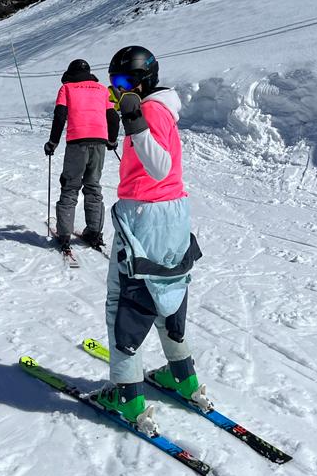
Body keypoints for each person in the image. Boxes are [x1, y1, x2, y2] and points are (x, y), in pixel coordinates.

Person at [94, 45, 208, 435]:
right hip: (170, 213)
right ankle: (182, 376)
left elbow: (158, 167)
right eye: (113, 86)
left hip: (145, 218)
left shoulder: (149, 111)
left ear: (145, 81)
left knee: (125, 300)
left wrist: (133, 120)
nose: (118, 90)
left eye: (124, 83)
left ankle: (127, 395)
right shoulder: (160, 108)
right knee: (166, 292)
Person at [44, 58, 119, 252]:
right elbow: (112, 116)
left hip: (77, 143)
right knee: (93, 187)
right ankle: (94, 232)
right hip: (99, 143)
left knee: (70, 186)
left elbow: (60, 115)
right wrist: (111, 140)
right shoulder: (102, 89)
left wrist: (53, 143)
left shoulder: (67, 88)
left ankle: (64, 235)